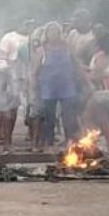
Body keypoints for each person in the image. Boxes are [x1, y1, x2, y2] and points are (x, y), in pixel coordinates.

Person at [32, 21, 81, 150]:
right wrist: (32, 88)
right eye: (51, 31)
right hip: (48, 89)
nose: (54, 34)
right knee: (49, 118)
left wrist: (86, 83)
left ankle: (70, 141)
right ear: (46, 34)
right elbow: (34, 72)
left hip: (67, 87)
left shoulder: (68, 49)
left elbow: (77, 66)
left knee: (69, 116)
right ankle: (48, 142)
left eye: (57, 31)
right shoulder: (41, 51)